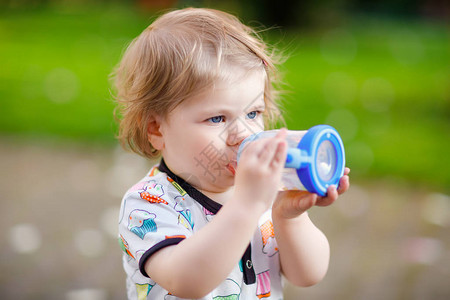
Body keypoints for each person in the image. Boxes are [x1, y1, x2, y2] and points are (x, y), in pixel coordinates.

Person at [113, 7, 350, 300]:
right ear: (157, 129)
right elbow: (187, 282)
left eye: (253, 113)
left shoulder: (265, 192)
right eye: (217, 119)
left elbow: (309, 274)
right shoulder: (148, 204)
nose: (243, 135)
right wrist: (247, 204)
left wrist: (289, 216)